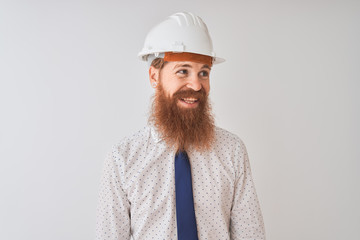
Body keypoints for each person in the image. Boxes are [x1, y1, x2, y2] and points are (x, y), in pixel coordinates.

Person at [96, 12, 266, 240]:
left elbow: (251, 236)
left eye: (204, 73)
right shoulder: (122, 159)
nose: (196, 85)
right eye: (183, 71)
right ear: (154, 77)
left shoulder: (232, 151)